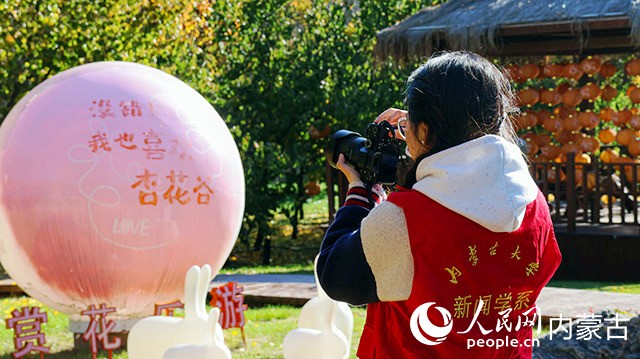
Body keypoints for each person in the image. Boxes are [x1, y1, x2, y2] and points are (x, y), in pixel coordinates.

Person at [317, 51, 562, 358]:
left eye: (412, 125)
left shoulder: (407, 219)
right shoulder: (534, 207)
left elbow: (337, 276)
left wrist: (360, 192)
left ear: (424, 130)